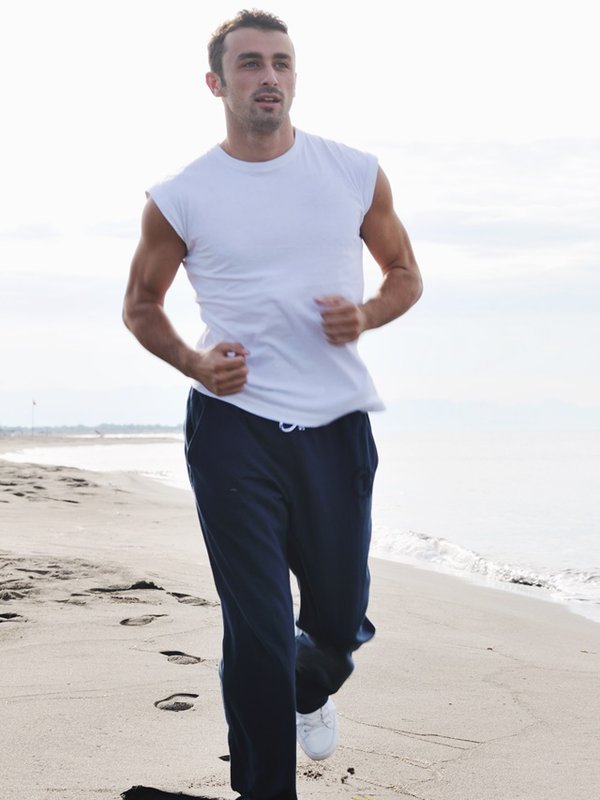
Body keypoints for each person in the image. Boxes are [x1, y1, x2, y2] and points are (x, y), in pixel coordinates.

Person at [123, 9, 422, 800]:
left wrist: (366, 315)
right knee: (255, 628)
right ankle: (264, 788)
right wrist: (192, 360)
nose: (269, 76)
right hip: (232, 432)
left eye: (282, 63)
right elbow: (141, 307)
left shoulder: (353, 171)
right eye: (251, 63)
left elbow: (404, 276)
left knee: (335, 619)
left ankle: (309, 687)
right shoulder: (181, 195)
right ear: (217, 83)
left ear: (295, 77)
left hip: (335, 430)